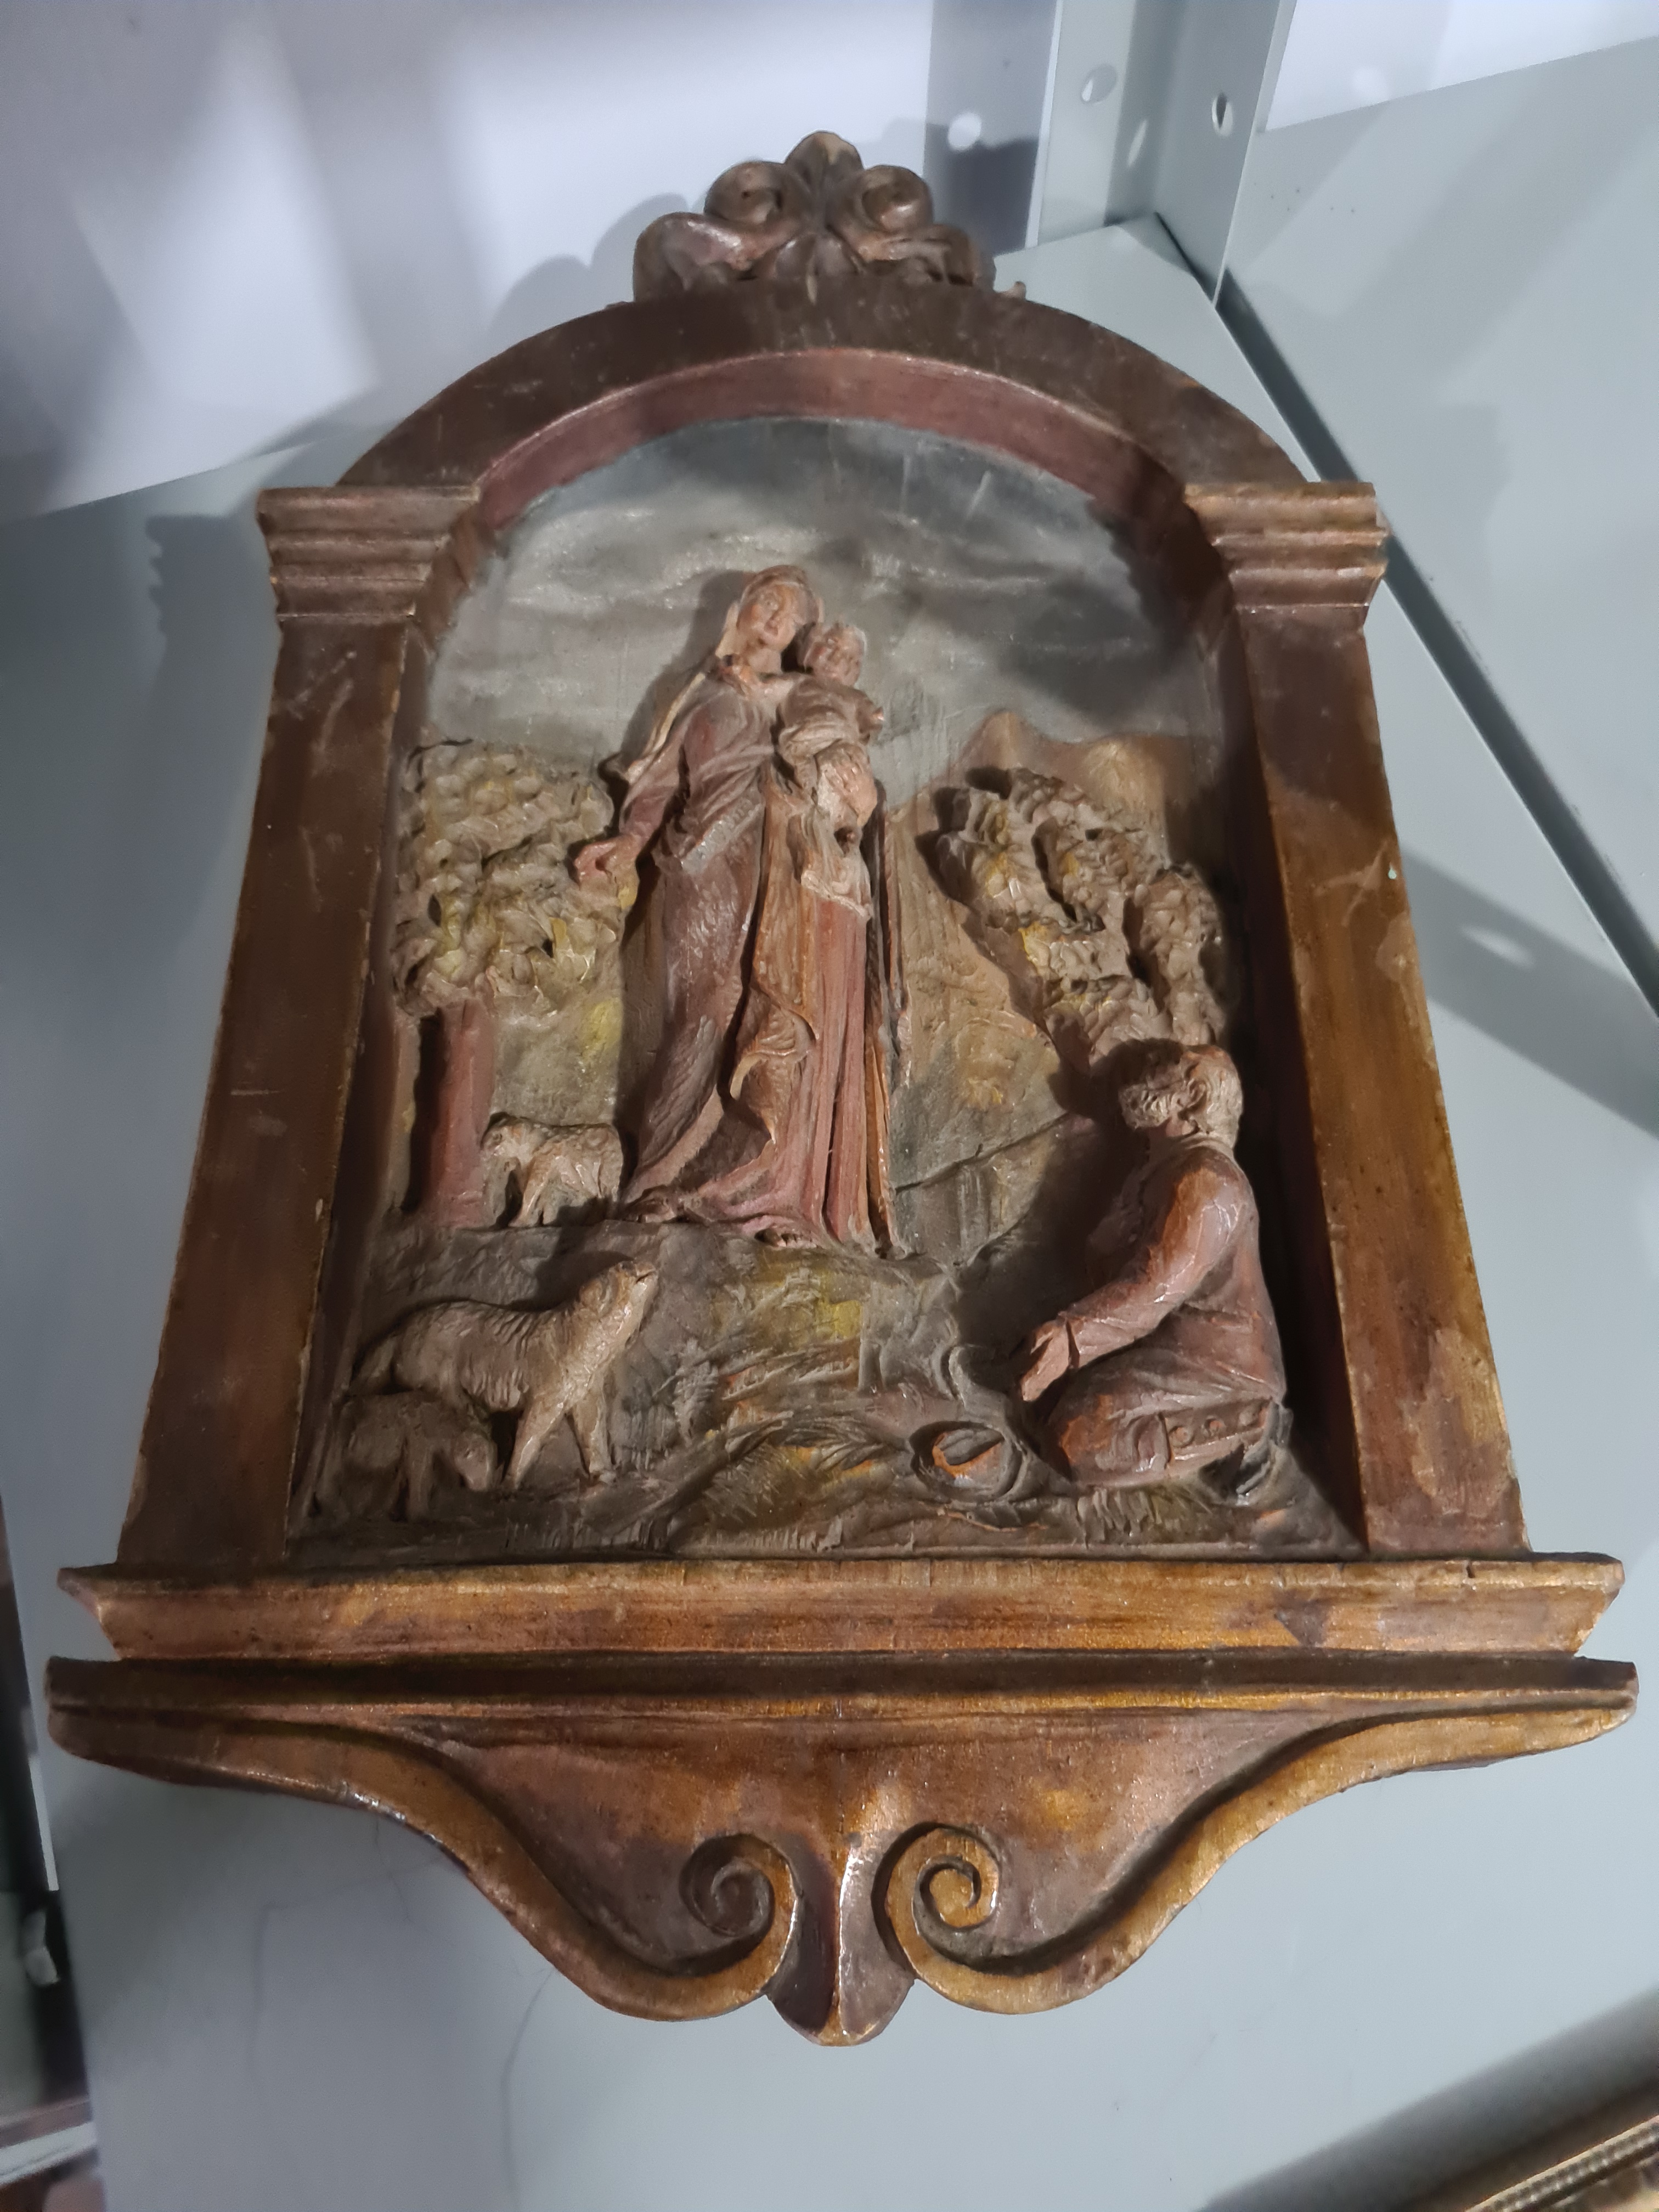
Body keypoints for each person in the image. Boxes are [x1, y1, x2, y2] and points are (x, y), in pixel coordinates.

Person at [575, 574, 896, 1248]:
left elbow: (841, 786)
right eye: (768, 600)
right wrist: (629, 842)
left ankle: (745, 1188)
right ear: (741, 607)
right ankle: (657, 1177)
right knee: (699, 1012)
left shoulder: (798, 701)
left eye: (793, 614)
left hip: (780, 867)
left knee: (764, 1015)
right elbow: (661, 781)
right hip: (700, 863)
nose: (777, 616)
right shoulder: (706, 695)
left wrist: (854, 802)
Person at [1018, 1046, 1286, 1488]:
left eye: (1164, 1073)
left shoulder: (1208, 1183)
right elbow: (1117, 1273)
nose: (1147, 1077)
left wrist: (1071, 1337)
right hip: (1161, 1345)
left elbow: (1152, 1291)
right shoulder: (1163, 1169)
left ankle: (1247, 1423)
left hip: (1218, 1368)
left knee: (1082, 1438)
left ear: (1193, 1098)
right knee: (1046, 1403)